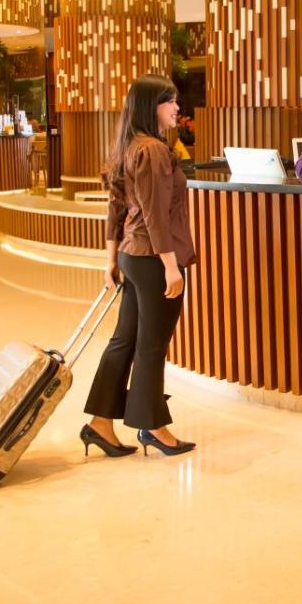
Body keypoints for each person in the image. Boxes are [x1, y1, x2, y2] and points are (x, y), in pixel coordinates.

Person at [82, 74, 198, 458]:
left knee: (126, 340)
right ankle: (154, 427)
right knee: (152, 345)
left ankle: (100, 423)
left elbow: (115, 208)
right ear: (153, 106)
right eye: (170, 101)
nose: (177, 108)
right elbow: (154, 216)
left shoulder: (127, 146)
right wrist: (171, 266)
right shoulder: (153, 150)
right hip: (153, 258)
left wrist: (110, 260)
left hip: (132, 256)